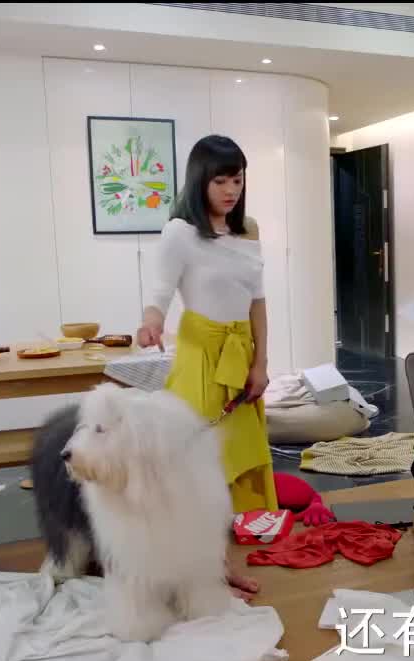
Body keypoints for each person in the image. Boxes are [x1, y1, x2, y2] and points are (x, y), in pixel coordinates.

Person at [137, 134, 273, 599]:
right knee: (197, 472)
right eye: (221, 181)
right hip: (200, 358)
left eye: (237, 179)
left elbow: (258, 302)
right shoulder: (180, 231)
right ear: (200, 180)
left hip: (241, 354)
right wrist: (151, 322)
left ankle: (220, 566)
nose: (231, 190)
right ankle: (199, 572)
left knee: (232, 472)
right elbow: (159, 292)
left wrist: (261, 363)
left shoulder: (247, 231)